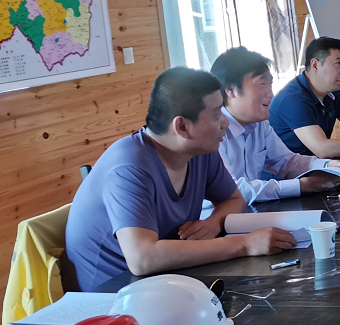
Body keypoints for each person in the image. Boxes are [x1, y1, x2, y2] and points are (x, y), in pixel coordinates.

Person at [65, 68, 297, 292]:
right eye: (217, 114)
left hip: (169, 277)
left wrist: (212, 223)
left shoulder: (200, 151)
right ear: (182, 127)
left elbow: (234, 199)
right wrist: (246, 244)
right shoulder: (129, 166)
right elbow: (142, 259)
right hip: (115, 294)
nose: (225, 122)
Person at [210, 47, 340, 205]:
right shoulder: (212, 132)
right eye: (262, 84)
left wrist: (328, 165)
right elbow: (232, 189)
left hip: (249, 210)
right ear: (231, 90)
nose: (270, 93)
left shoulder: (259, 124)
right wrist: (302, 185)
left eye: (270, 84)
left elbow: (286, 161)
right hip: (216, 215)